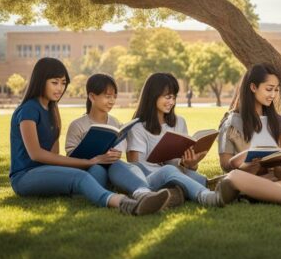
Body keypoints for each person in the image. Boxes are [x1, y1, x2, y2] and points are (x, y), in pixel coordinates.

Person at [128, 71, 281, 209]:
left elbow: (180, 165)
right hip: (157, 177)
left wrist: (191, 163)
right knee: (189, 176)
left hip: (183, 175)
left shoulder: (179, 122)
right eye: (167, 97)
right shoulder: (138, 127)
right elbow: (137, 166)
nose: (171, 102)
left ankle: (178, 196)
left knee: (199, 179)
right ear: (152, 96)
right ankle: (212, 197)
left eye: (174, 97)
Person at [9, 58, 168, 215]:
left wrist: (95, 161)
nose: (60, 88)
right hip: (24, 177)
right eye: (55, 82)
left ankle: (144, 194)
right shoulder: (28, 110)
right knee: (81, 176)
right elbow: (36, 154)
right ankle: (126, 204)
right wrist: (88, 162)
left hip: (46, 172)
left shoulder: (52, 111)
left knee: (112, 164)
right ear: (40, 81)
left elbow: (54, 155)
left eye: (63, 83)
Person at [65, 73, 176, 207]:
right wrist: (96, 160)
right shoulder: (77, 125)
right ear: (92, 96)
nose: (112, 101)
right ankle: (90, 193)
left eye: (114, 97)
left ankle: (144, 194)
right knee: (98, 169)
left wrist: (115, 154)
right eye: (107, 96)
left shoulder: (115, 122)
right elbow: (70, 158)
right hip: (89, 171)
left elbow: (120, 148)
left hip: (112, 169)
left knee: (126, 165)